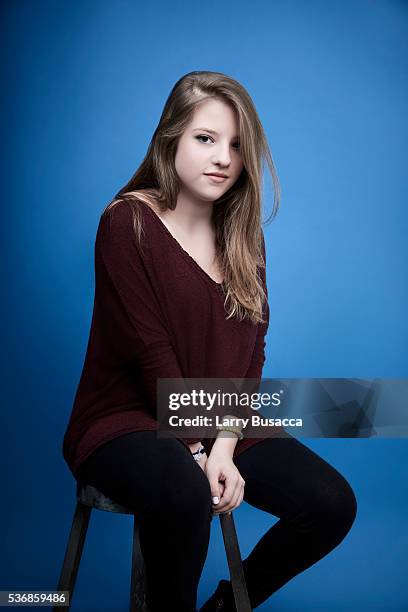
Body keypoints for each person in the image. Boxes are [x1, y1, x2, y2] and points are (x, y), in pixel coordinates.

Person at [62, 71, 357, 611]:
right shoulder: (126, 222)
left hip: (219, 416)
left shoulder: (244, 235)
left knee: (332, 503)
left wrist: (221, 444)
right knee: (184, 492)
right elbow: (149, 351)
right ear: (170, 138)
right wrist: (196, 451)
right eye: (206, 138)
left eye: (237, 146)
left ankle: (220, 610)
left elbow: (252, 353)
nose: (223, 157)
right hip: (127, 418)